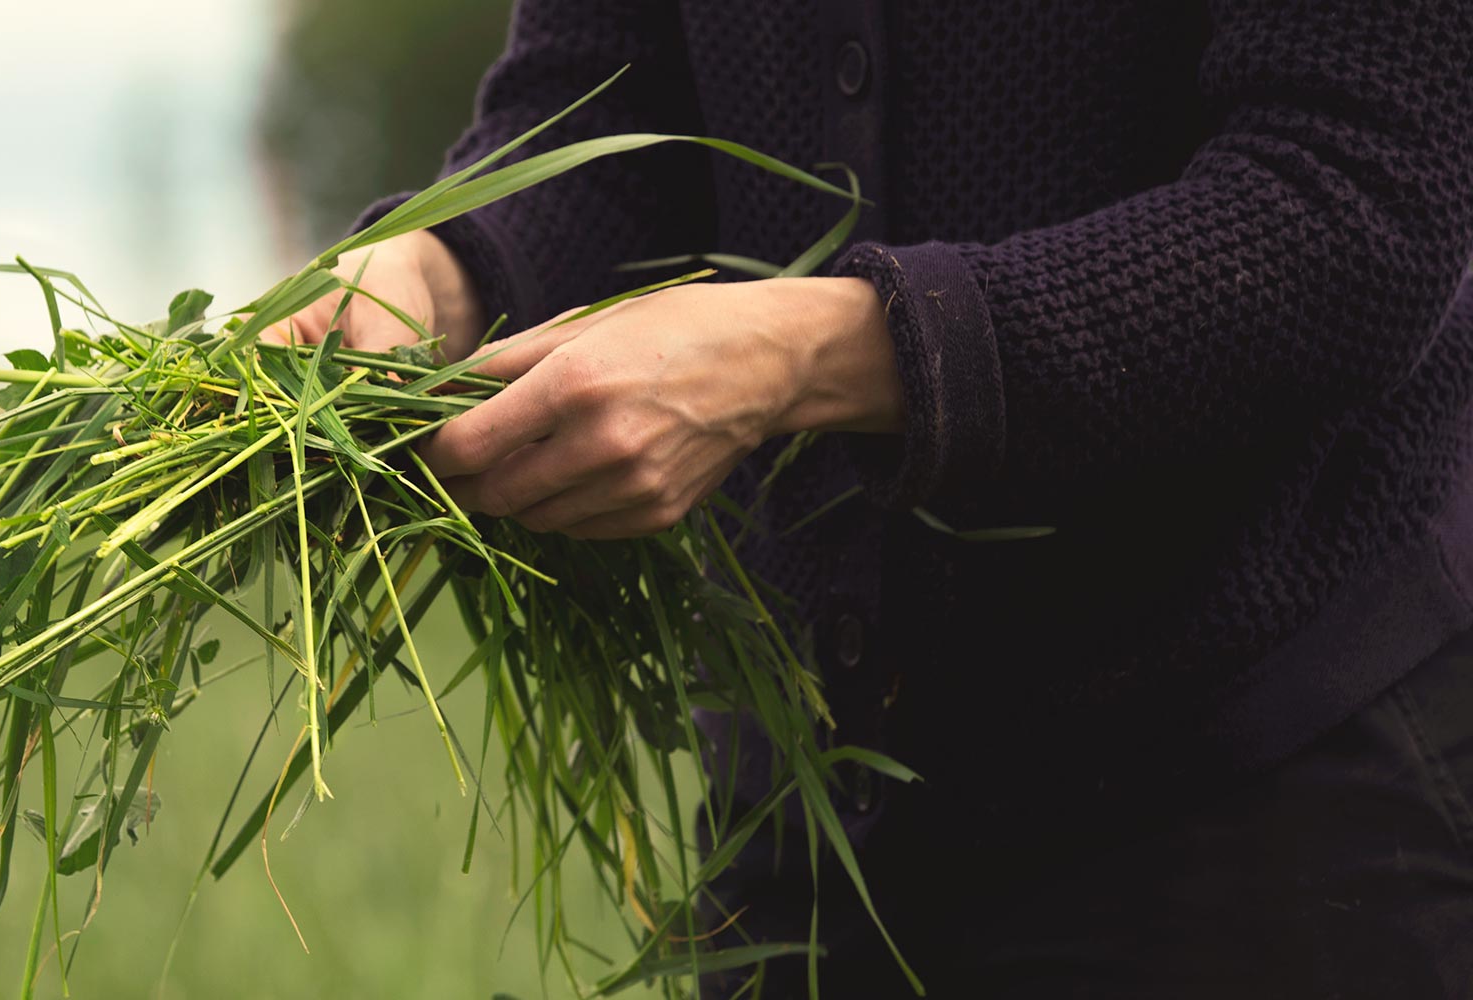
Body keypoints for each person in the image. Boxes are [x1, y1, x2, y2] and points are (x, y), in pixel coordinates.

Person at [277, 1, 1473, 996]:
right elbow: (607, 103)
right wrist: (444, 271)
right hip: (808, 809)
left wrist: (813, 350)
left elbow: (1356, 204)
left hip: (1257, 794)